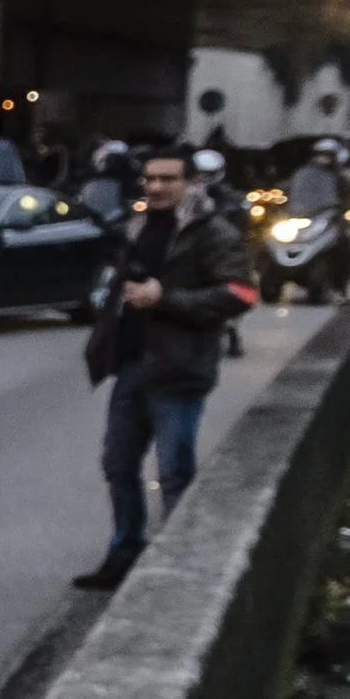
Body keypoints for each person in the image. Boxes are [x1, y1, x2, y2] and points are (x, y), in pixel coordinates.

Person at [76, 145, 259, 589]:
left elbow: (242, 293)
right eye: (150, 179)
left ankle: (177, 569)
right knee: (118, 465)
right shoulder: (138, 226)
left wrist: (167, 299)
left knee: (175, 473)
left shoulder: (211, 232)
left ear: (190, 182)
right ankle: (125, 555)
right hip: (134, 365)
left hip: (179, 370)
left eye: (168, 179)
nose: (156, 187)